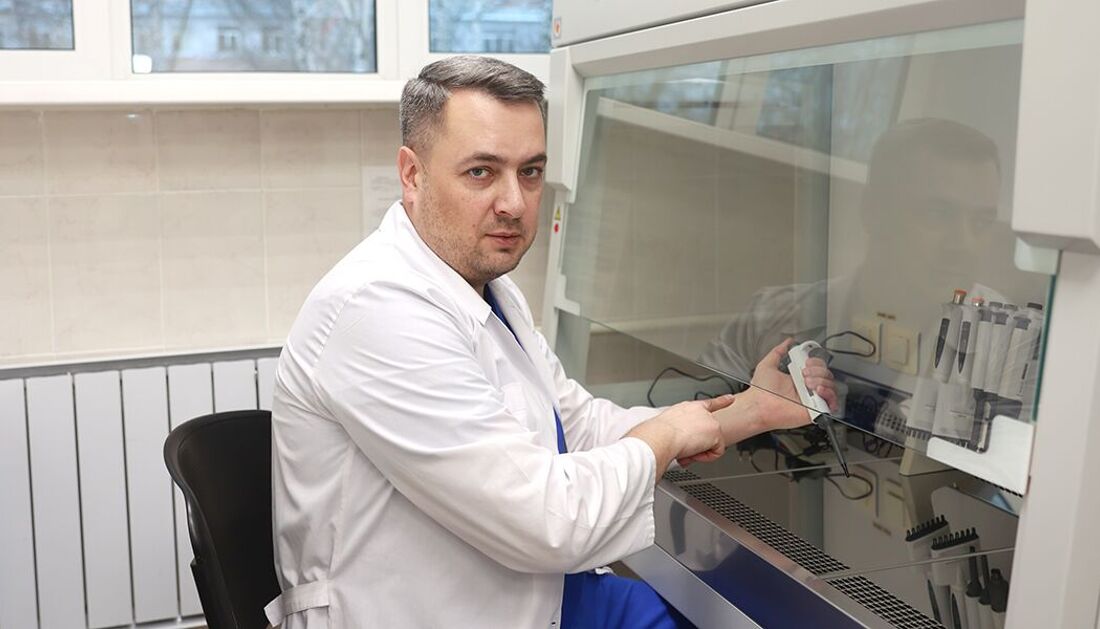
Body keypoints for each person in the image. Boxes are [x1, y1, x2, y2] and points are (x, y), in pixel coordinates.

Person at [266, 56, 835, 628]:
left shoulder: (488, 289)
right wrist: (664, 437)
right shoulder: (377, 310)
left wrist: (754, 410)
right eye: (481, 172)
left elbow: (579, 426)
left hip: (535, 596)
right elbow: (547, 523)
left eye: (531, 172)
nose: (514, 203)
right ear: (412, 174)